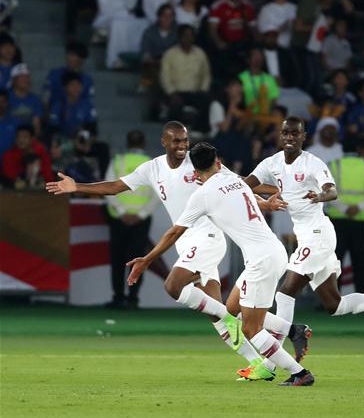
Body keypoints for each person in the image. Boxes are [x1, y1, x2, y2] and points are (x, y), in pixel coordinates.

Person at [46, 122, 282, 374]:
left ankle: (242, 322)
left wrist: (266, 200)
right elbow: (116, 187)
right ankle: (262, 361)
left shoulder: (201, 162)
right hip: (185, 242)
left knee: (174, 286)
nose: (182, 146)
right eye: (176, 141)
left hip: (207, 236)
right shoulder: (153, 168)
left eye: (185, 141)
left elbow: (239, 184)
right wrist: (77, 187)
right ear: (164, 142)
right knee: (213, 312)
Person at [238, 118, 364, 380]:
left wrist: (319, 196)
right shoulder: (272, 163)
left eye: (295, 133)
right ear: (280, 136)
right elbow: (247, 184)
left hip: (318, 235)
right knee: (334, 305)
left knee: (286, 292)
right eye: (286, 133)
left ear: (304, 137)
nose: (290, 137)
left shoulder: (313, 163)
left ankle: (273, 363)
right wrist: (244, 191)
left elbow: (332, 191)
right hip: (307, 237)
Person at [125, 142, 313, 387]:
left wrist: (146, 259)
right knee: (230, 309)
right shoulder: (233, 180)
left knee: (250, 328)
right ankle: (293, 330)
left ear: (194, 172)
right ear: (218, 163)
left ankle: (300, 374)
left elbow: (174, 233)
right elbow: (252, 196)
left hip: (261, 260)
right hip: (270, 252)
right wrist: (268, 202)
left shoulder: (202, 195)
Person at [104, 130, 157, 309]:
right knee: (138, 260)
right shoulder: (151, 165)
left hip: (119, 219)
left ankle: (118, 297)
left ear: (127, 143)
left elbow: (109, 188)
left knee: (118, 259)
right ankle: (133, 299)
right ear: (144, 143)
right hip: (140, 221)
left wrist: (121, 211)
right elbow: (157, 194)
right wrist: (140, 214)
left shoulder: (118, 161)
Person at [326, 138, 364, 294]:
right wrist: (358, 207)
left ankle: (332, 299)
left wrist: (344, 208)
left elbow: (327, 192)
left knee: (334, 260)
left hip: (337, 219)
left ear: (342, 150)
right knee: (361, 261)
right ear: (358, 150)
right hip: (360, 220)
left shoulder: (333, 165)